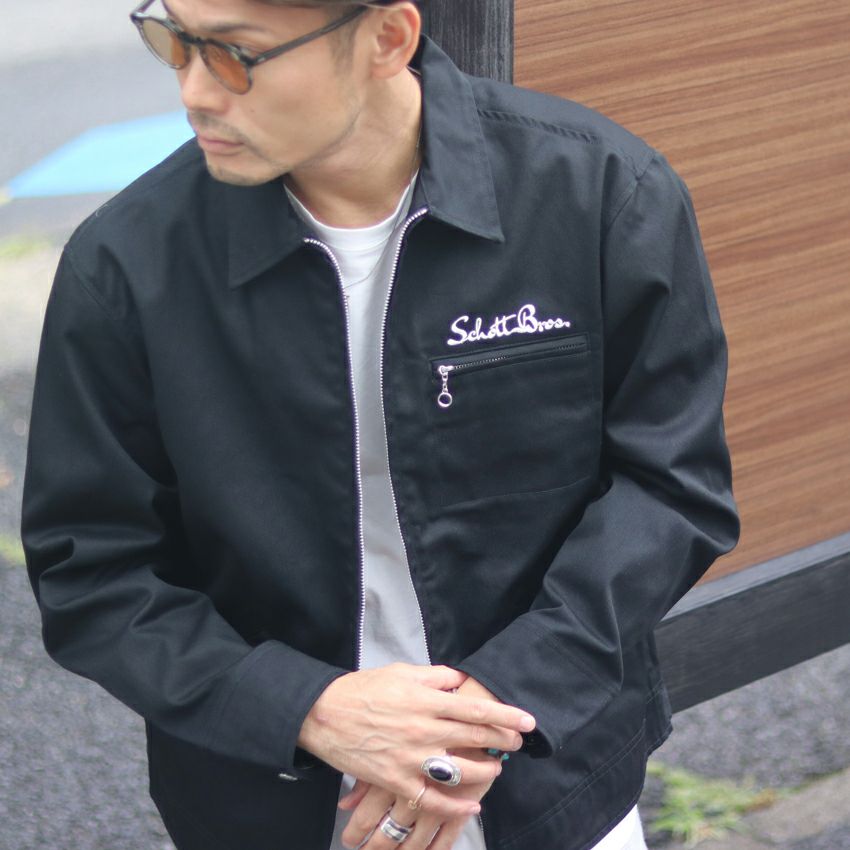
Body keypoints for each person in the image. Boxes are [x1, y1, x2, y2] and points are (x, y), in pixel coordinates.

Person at [21, 1, 739, 849]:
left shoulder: (598, 192)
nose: (194, 91)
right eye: (172, 40)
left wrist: (488, 712)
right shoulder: (128, 264)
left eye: (236, 54)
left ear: (388, 38)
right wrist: (305, 708)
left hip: (551, 767)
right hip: (271, 796)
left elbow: (669, 489)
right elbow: (94, 569)